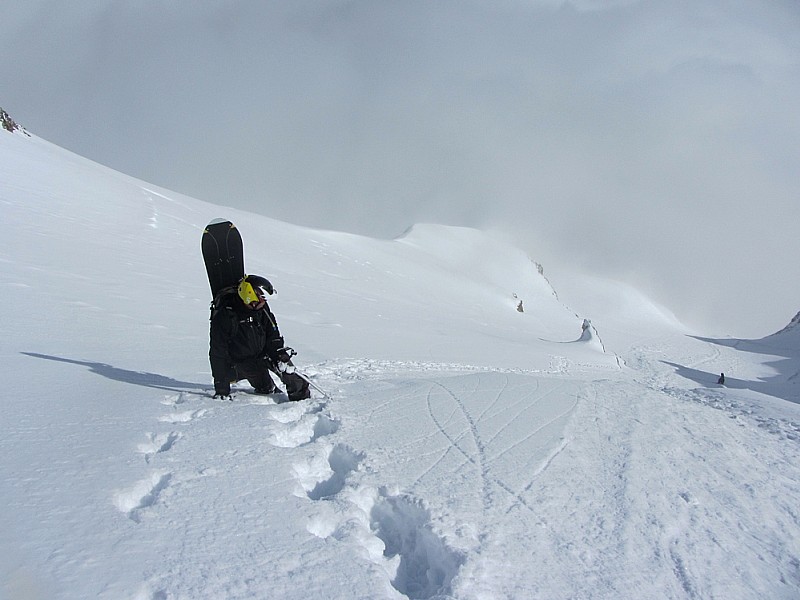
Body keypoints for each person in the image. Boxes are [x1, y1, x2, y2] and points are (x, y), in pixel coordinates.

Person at [209, 274, 310, 402]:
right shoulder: (226, 316)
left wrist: (280, 354)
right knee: (265, 388)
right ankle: (258, 384)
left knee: (294, 378)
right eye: (261, 298)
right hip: (242, 361)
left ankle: (302, 404)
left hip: (265, 353)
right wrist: (221, 389)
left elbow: (273, 334)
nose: (263, 302)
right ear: (250, 296)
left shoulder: (262, 309)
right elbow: (218, 353)